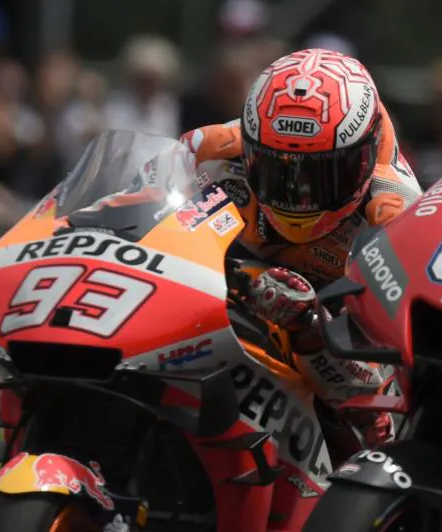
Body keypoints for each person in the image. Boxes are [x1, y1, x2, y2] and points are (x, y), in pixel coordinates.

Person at [179, 48, 422, 462]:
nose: (297, 194)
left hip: (328, 335)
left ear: (362, 159)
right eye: (278, 171)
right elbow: (137, 205)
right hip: (216, 307)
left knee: (377, 434)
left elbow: (383, 379)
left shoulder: (397, 213)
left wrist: (310, 325)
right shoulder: (213, 148)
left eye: (319, 176)